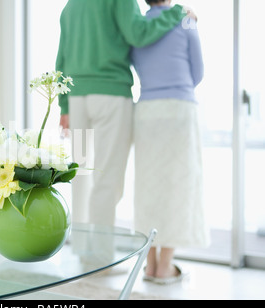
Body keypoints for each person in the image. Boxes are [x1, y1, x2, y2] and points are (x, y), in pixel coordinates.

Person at [56, 0, 192, 228]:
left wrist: (64, 106)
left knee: (78, 175)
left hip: (76, 98)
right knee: (106, 179)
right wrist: (177, 12)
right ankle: (100, 260)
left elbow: (61, 58)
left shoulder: (72, 5)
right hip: (111, 95)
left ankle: (81, 255)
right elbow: (138, 34)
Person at [131, 0, 209, 284]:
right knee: (178, 185)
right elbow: (197, 71)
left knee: (148, 185)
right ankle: (165, 266)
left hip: (147, 110)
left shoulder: (138, 23)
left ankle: (149, 265)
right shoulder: (186, 20)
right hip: (179, 108)